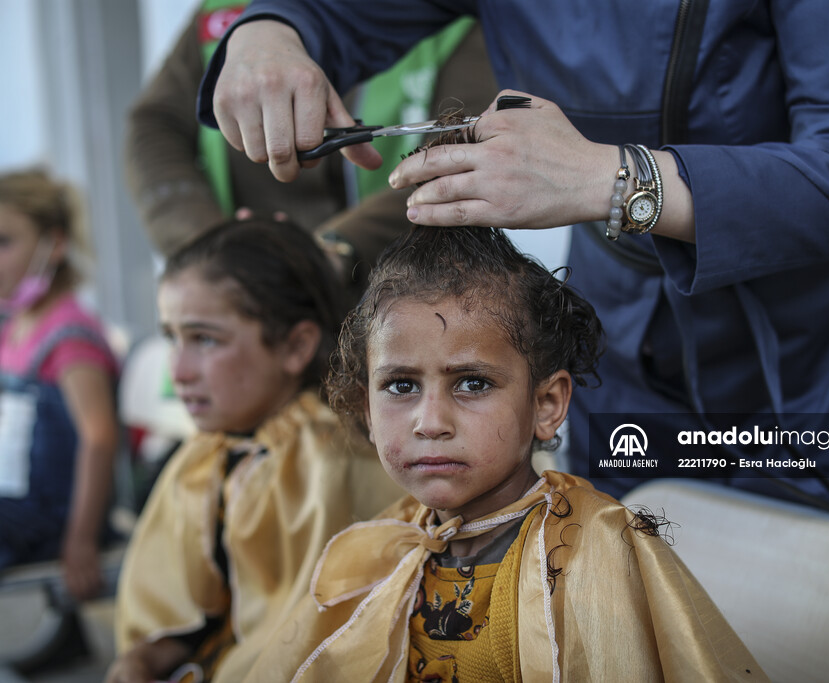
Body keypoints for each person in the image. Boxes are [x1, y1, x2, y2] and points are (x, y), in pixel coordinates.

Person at [197, 2, 829, 679]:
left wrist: (612, 179)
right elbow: (329, 13)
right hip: (633, 342)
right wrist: (270, 29)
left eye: (468, 384)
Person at [238, 225, 767, 682]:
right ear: (367, 413)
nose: (430, 422)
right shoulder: (380, 548)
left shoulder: (596, 553)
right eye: (401, 386)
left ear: (546, 404)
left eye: (472, 383)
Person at [106, 219, 404, 683]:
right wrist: (142, 659)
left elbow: (306, 645)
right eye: (172, 338)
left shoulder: (329, 460)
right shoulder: (210, 450)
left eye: (205, 339)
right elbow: (186, 613)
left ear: (296, 346)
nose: (178, 371)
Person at [125, 0, 497, 277]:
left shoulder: (458, 17)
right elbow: (155, 125)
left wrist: (333, 253)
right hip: (237, 289)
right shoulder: (220, 11)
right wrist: (213, 249)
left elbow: (471, 150)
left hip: (388, 286)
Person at [0, 169, 120, 602]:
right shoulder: (13, 326)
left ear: (54, 245)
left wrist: (81, 539)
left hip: (52, 518)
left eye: (4, 242)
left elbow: (99, 438)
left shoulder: (68, 335)